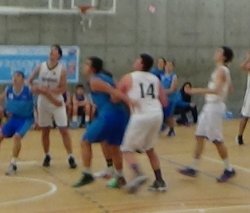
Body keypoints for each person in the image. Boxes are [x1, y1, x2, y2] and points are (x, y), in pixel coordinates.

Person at [178, 46, 237, 182]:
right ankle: (193, 168)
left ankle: (229, 169)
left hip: (214, 108)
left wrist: (195, 90)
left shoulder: (222, 70)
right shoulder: (221, 70)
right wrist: (218, 91)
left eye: (219, 52)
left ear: (224, 56)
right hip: (210, 106)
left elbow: (216, 90)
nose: (215, 53)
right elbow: (230, 89)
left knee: (216, 139)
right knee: (200, 136)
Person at [72, 57, 132, 189]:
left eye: (87, 64)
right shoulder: (108, 78)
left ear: (92, 68)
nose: (84, 66)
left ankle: (87, 173)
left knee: (85, 141)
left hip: (108, 115)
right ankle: (119, 176)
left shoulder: (94, 81)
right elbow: (119, 90)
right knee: (114, 146)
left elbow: (115, 92)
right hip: (120, 115)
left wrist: (131, 102)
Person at [116, 54, 169, 193]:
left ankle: (139, 173)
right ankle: (160, 181)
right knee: (150, 148)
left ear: (142, 64)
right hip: (157, 114)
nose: (135, 61)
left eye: (138, 60)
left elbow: (115, 97)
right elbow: (164, 101)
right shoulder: (155, 78)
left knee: (126, 149)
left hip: (141, 115)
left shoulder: (129, 77)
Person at [28, 45, 77, 169]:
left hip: (56, 101)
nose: (51, 51)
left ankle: (70, 155)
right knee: (45, 130)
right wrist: (33, 88)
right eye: (51, 50)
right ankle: (46, 155)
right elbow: (29, 81)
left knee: (63, 130)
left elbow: (63, 88)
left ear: (59, 55)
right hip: (43, 102)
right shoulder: (41, 66)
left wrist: (49, 91)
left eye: (54, 50)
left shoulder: (62, 70)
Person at [0, 71, 34, 175]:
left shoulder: (29, 90)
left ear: (23, 79)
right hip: (13, 119)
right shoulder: (8, 90)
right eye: (14, 76)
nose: (15, 78)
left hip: (25, 119)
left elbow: (43, 92)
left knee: (17, 137)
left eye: (18, 76)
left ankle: (13, 164)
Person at [159, 60, 179, 137]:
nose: (168, 67)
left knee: (169, 115)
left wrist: (162, 92)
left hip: (171, 99)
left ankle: (171, 129)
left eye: (170, 65)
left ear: (173, 67)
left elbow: (172, 89)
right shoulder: (162, 76)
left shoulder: (174, 76)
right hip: (162, 98)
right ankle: (162, 127)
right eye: (167, 65)